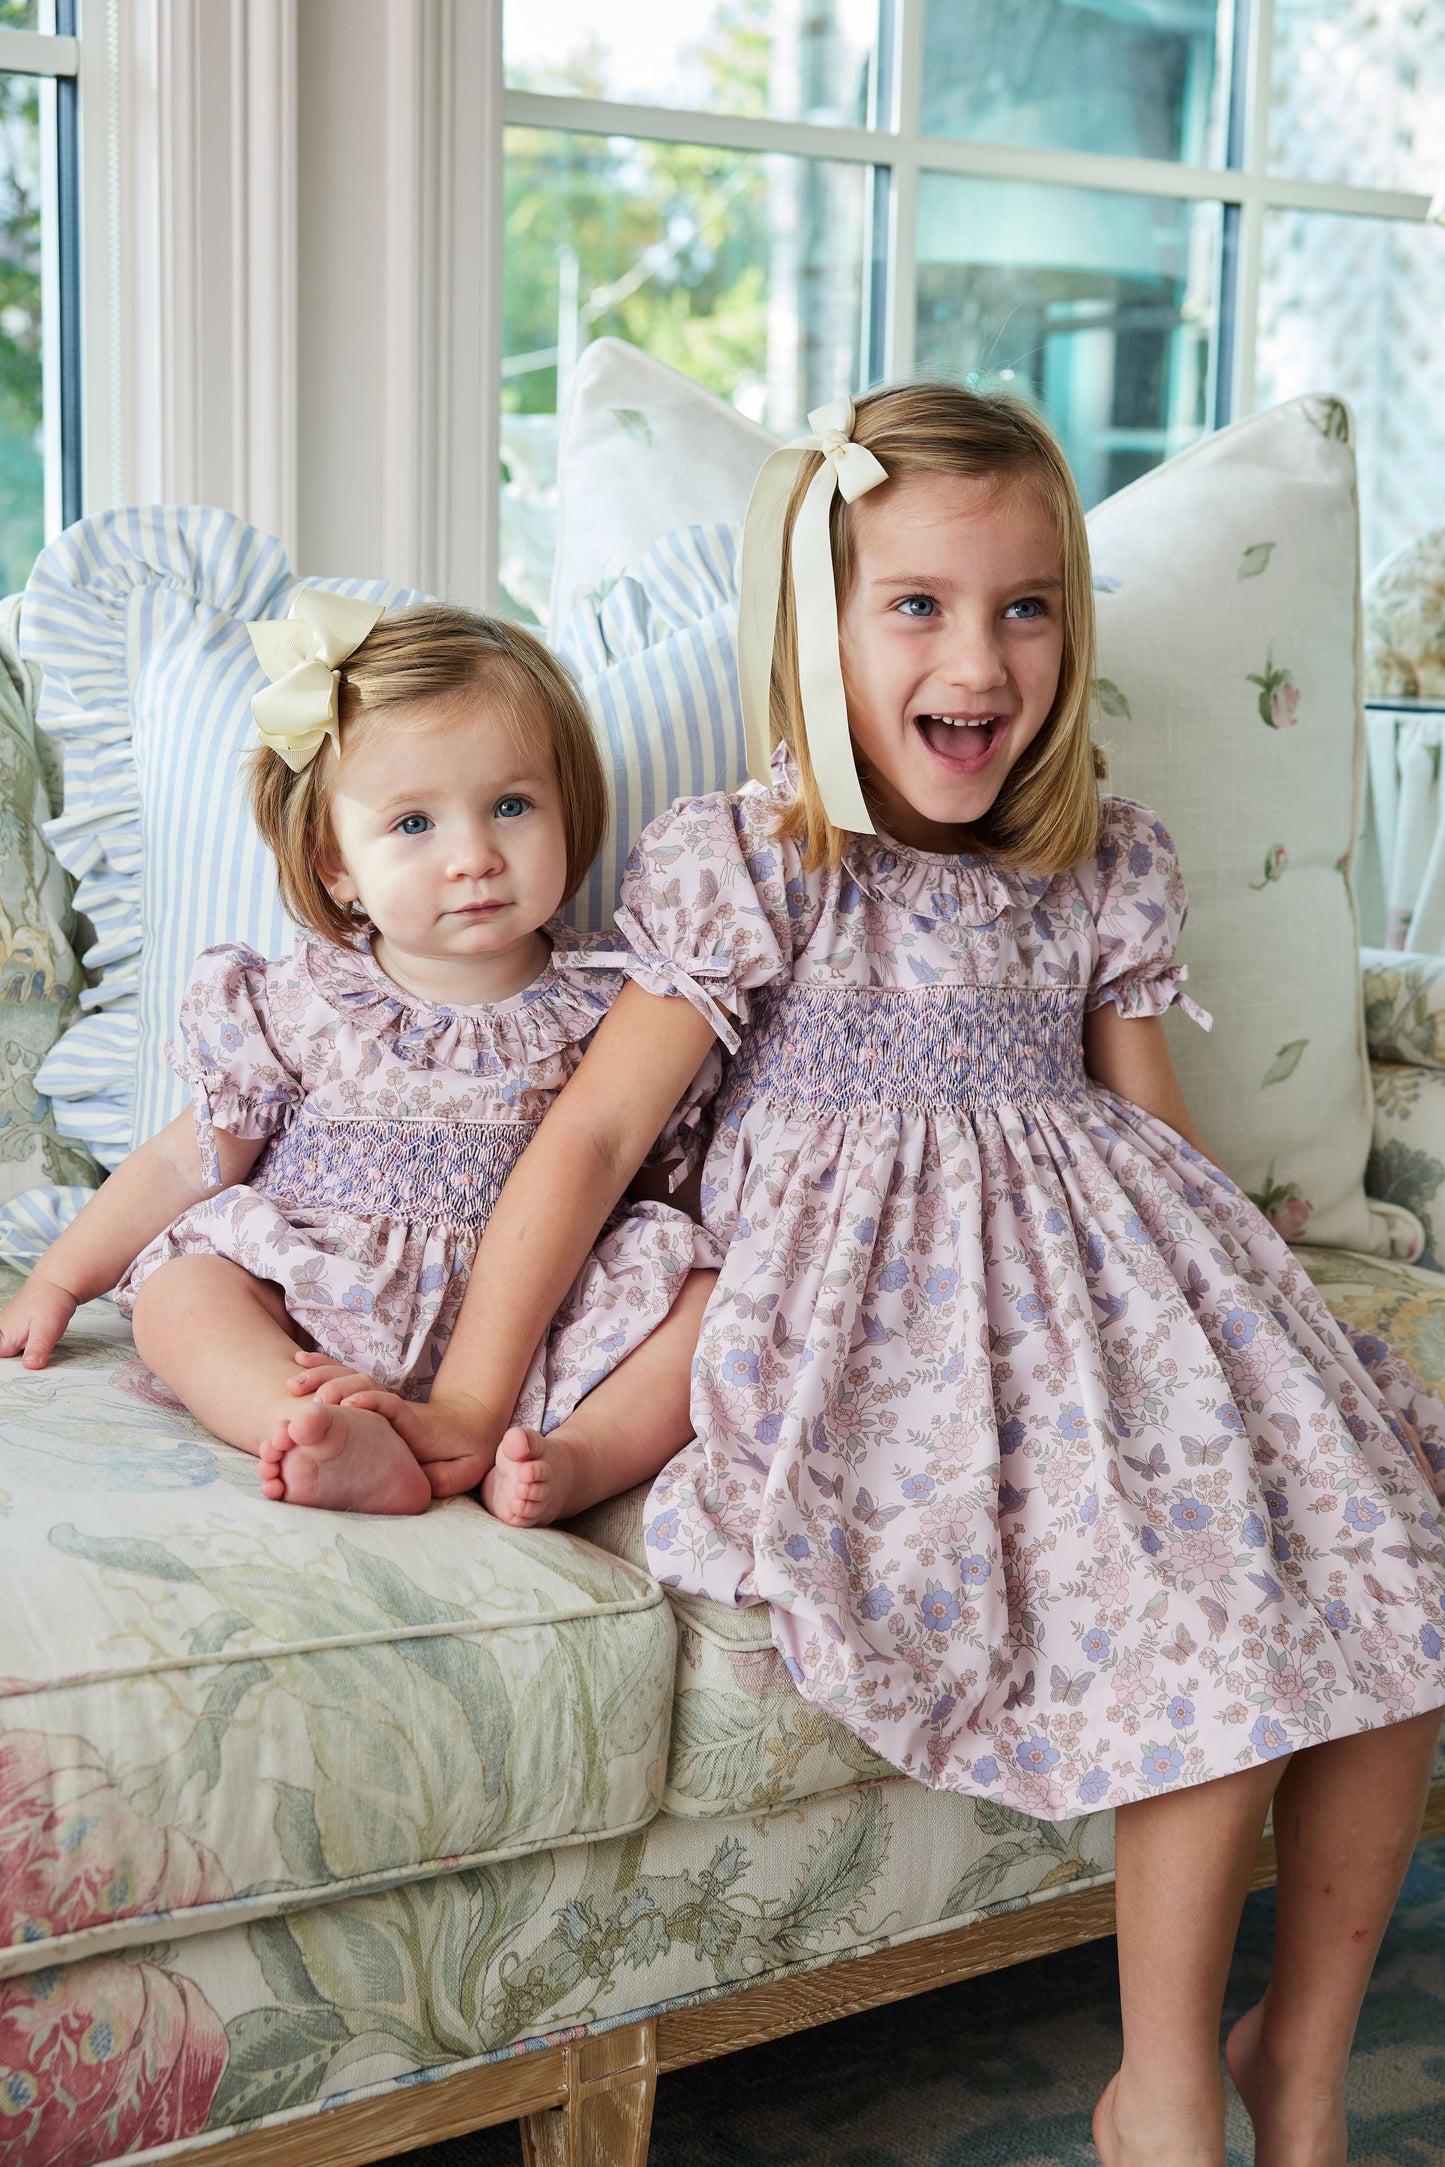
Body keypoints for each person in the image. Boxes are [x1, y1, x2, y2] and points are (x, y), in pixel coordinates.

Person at [291, 386, 1445, 2166]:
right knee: (1211, 1614)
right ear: (817, 629)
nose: (977, 655)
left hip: (1129, 1291)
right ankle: (1161, 2101)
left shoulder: (1103, 861)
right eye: (916, 602)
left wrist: (1264, 1338)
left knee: (1394, 1559)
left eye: (1024, 603)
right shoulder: (767, 862)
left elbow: (1160, 1134)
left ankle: (1294, 2060)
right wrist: (462, 1394)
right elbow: (596, 1139)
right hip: (891, 1338)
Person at [0, 594, 716, 1518]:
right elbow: (192, 1157)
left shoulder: (620, 1001)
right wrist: (60, 1275)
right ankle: (309, 1429)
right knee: (183, 1294)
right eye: (414, 823)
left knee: (707, 1296)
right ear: (335, 862)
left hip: (533, 1328)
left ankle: (572, 1457)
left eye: (510, 806)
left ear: (569, 811)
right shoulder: (302, 998)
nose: (474, 856)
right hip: (321, 1301)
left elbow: (658, 1173)